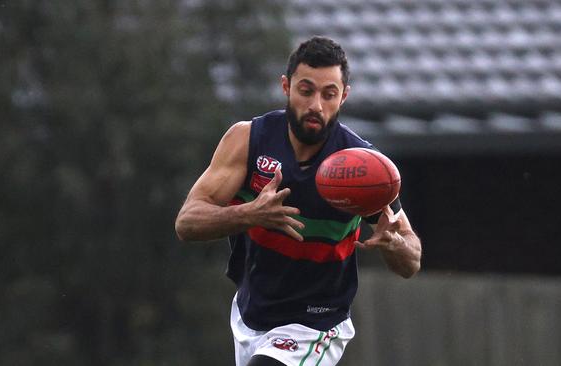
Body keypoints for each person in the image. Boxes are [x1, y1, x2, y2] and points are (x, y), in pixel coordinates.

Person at [175, 36, 422, 366]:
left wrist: (395, 245)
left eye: (329, 94)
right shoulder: (248, 141)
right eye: (306, 90)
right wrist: (250, 214)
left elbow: (411, 258)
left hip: (316, 324)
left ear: (343, 96)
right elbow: (187, 222)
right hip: (252, 316)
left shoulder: (361, 167)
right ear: (286, 87)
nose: (316, 105)